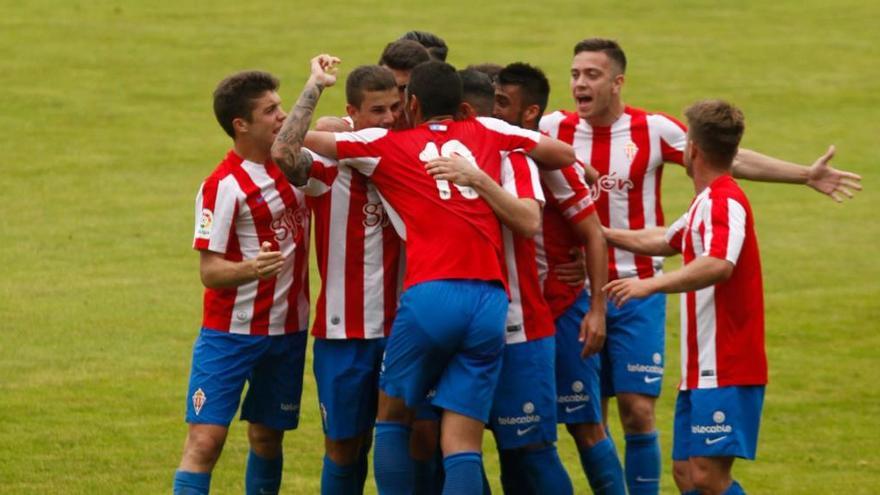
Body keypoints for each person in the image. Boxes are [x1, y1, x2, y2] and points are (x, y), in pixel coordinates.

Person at [540, 38, 863, 495]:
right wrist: (592, 237)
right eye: (574, 74)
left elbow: (727, 167)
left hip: (647, 293)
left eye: (591, 75)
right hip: (583, 291)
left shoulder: (660, 139)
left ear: (617, 82)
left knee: (642, 415)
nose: (579, 83)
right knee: (620, 437)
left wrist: (803, 175)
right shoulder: (554, 129)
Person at [272, 56, 576, 495]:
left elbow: (287, 145)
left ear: (411, 104)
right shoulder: (491, 132)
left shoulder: (387, 145)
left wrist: (318, 89)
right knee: (462, 439)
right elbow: (562, 154)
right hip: (492, 301)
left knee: (392, 417)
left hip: (430, 296)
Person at [604, 99, 766, 495]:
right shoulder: (703, 203)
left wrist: (650, 284)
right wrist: (600, 232)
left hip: (727, 361)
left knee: (709, 478)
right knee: (685, 474)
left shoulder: (724, 201)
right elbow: (663, 239)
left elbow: (718, 263)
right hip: (701, 366)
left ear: (692, 148)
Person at [428, 68, 574, 494]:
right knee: (448, 445)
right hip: (455, 326)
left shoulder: (514, 159)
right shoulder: (426, 156)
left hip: (518, 326)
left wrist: (478, 179)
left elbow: (529, 220)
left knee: (528, 451)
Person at [173, 70, 310, 495]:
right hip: (230, 335)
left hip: (287, 332)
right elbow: (209, 272)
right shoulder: (222, 187)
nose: (281, 116)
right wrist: (252, 268)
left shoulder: (291, 167)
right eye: (270, 110)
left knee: (268, 437)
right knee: (205, 441)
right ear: (241, 124)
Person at [494, 62, 624, 494]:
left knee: (584, 425)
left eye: (502, 102)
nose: (492, 111)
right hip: (516, 316)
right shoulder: (494, 152)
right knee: (517, 432)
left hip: (565, 310)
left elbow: (594, 234)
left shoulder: (551, 163)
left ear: (529, 113)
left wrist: (597, 310)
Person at [298, 65, 402, 494]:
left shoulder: (414, 155)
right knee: (343, 445)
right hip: (342, 332)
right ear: (351, 114)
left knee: (408, 440)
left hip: (405, 330)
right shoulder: (329, 166)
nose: (389, 119)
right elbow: (286, 152)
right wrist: (312, 91)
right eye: (377, 110)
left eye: (396, 108)